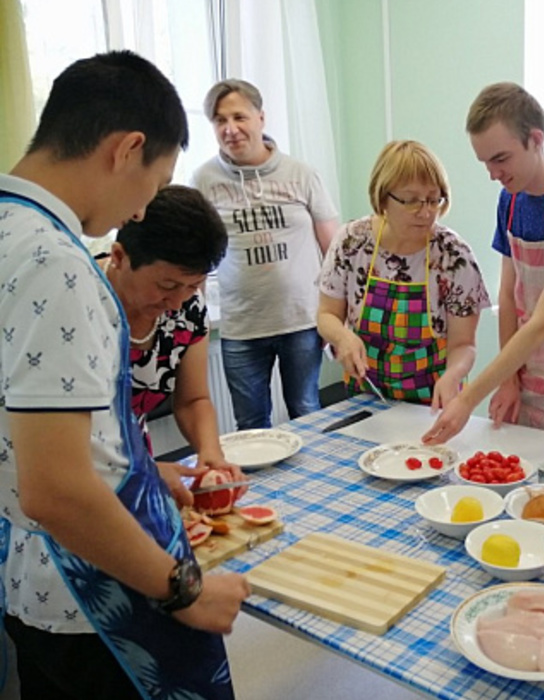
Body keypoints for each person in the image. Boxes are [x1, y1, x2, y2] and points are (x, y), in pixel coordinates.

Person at [0, 51, 249, 699]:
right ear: (127, 149)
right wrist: (185, 592)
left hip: (30, 587)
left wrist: (142, 468)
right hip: (96, 594)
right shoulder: (59, 263)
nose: (138, 211)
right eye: (156, 180)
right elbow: (53, 488)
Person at [423, 82, 544, 445]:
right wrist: (509, 379)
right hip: (525, 366)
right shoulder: (509, 201)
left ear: (536, 139)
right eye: (485, 162)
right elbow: (509, 297)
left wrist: (467, 400)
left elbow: (542, 321)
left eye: (500, 159)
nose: (493, 174)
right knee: (519, 471)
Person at [191, 79, 339, 430]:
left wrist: (337, 317)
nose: (231, 129)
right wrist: (192, 319)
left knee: (307, 413)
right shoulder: (203, 180)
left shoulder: (301, 174)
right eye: (220, 121)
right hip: (242, 326)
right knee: (251, 426)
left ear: (261, 118)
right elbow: (194, 255)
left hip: (301, 320)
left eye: (239, 117)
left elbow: (333, 249)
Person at [100, 184, 246, 506]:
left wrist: (210, 452)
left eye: (194, 285)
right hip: (74, 475)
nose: (179, 301)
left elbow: (193, 399)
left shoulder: (188, 310)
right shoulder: (82, 305)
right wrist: (139, 474)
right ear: (119, 257)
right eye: (167, 285)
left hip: (137, 466)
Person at [317, 140, 490, 407]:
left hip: (431, 402)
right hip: (364, 396)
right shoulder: (352, 242)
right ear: (383, 197)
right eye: (411, 201)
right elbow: (326, 315)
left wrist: (453, 375)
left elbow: (464, 344)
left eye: (434, 200)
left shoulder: (453, 256)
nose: (426, 212)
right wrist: (342, 337)